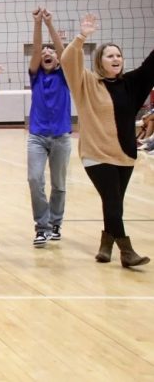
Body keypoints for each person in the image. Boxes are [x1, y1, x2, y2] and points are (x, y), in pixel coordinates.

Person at [62, 14, 154, 267]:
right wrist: (82, 36)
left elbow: (151, 65)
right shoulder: (86, 82)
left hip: (124, 153)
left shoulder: (130, 84)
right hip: (96, 153)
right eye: (110, 55)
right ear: (99, 61)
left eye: (118, 55)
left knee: (113, 203)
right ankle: (127, 251)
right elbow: (68, 61)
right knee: (112, 201)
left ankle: (106, 245)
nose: (116, 59)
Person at [27, 7, 71, 247]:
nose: (46, 52)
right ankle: (41, 226)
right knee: (35, 180)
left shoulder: (65, 74)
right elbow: (36, 50)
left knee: (59, 184)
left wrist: (50, 24)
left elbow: (63, 51)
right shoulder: (36, 75)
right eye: (44, 51)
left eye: (50, 52)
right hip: (37, 137)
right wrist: (37, 24)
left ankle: (55, 222)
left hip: (62, 137)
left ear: (57, 59)